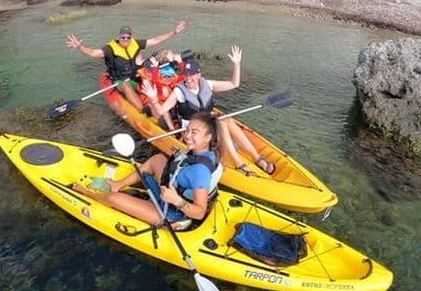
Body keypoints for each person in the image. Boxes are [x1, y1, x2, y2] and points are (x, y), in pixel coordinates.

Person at [73, 112, 221, 228]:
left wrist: (176, 200)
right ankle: (119, 184)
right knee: (158, 159)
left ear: (208, 137)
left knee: (113, 199)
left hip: (172, 212)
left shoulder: (200, 172)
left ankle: (86, 193)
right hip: (170, 191)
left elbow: (200, 212)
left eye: (194, 133)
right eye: (187, 130)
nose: (187, 135)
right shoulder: (203, 152)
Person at [146, 45, 276, 175]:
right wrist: (153, 100)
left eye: (191, 75)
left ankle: (257, 158)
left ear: (198, 74)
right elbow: (162, 110)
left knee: (228, 120)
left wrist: (237, 64)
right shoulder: (179, 91)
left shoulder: (207, 84)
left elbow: (233, 84)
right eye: (185, 75)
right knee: (222, 122)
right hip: (193, 131)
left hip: (209, 126)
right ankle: (239, 164)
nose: (188, 78)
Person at [65, 21, 187, 119]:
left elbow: (156, 40)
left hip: (136, 76)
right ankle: (143, 109)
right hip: (120, 80)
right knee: (125, 85)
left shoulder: (136, 43)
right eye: (123, 37)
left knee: (153, 79)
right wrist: (79, 46)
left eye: (128, 37)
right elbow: (93, 53)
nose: (126, 40)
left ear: (131, 37)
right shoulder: (110, 48)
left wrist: (174, 32)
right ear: (119, 37)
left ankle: (167, 106)